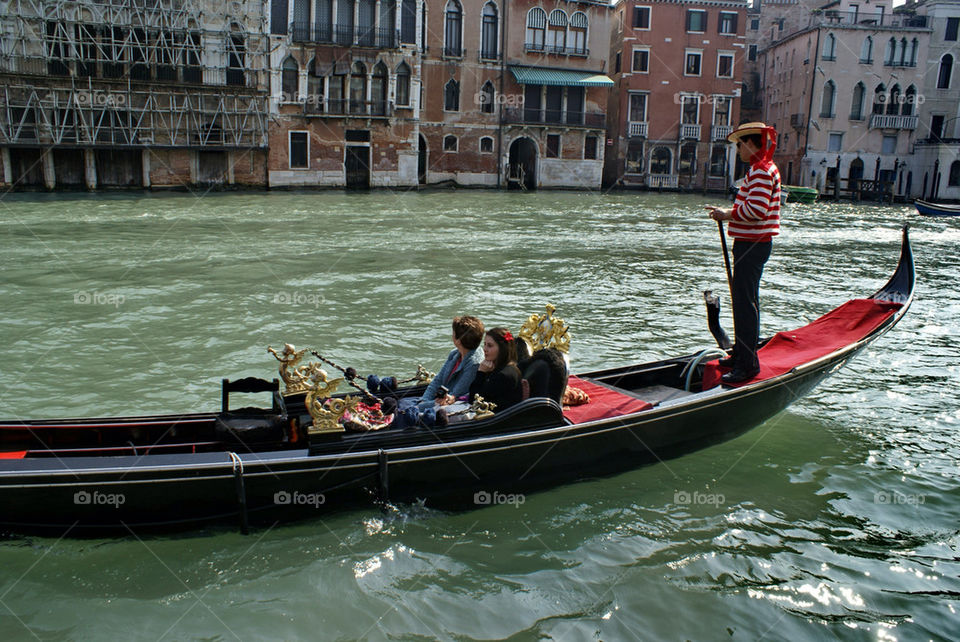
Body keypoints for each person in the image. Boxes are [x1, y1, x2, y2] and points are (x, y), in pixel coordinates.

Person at [706, 122, 781, 384]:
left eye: (740, 144)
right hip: (753, 244)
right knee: (743, 300)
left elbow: (757, 210)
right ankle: (740, 353)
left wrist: (726, 214)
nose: (737, 149)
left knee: (745, 304)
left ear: (751, 144)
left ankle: (748, 364)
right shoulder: (759, 170)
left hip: (753, 245)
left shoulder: (761, 171)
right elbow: (752, 206)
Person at [412, 316, 485, 410]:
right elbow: (438, 380)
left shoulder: (473, 364)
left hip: (449, 405)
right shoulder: (455, 353)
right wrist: (424, 401)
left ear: (458, 341)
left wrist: (420, 407)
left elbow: (454, 396)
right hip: (436, 401)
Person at [469, 327, 523, 412]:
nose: (485, 349)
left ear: (502, 349)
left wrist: (481, 372)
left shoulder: (503, 375)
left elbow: (474, 401)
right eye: (485, 344)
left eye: (490, 346)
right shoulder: (503, 368)